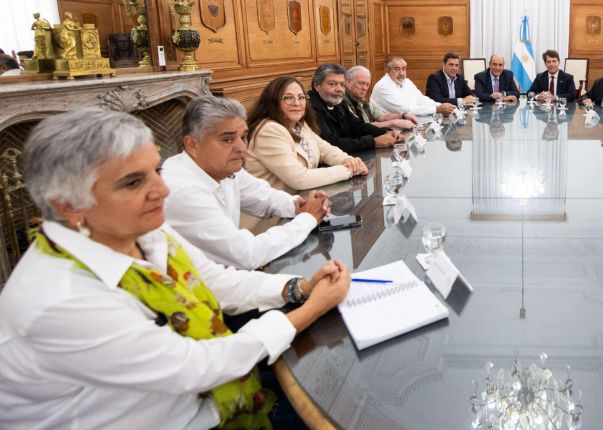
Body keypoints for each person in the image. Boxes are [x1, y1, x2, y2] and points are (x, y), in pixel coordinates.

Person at [0, 108, 352, 429]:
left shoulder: (144, 231)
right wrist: (311, 309)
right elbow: (197, 367)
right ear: (68, 206)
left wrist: (298, 287)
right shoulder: (61, 299)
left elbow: (212, 279)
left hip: (212, 395)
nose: (162, 189)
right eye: (133, 182)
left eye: (156, 170)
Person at [162, 96, 331, 269]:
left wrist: (298, 205)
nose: (241, 148)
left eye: (243, 137)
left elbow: (263, 195)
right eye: (227, 139)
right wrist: (307, 218)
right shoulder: (183, 190)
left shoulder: (223, 167)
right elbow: (247, 255)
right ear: (193, 145)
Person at [246, 76, 368, 193]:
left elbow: (325, 150)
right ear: (273, 102)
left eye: (301, 97)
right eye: (288, 97)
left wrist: (349, 160)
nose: (297, 103)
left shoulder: (299, 124)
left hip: (300, 202)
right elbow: (299, 178)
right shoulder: (269, 130)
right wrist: (347, 170)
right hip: (273, 212)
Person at [309, 63, 402, 153]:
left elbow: (358, 126)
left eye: (342, 84)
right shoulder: (311, 108)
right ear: (317, 85)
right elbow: (330, 144)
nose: (339, 89)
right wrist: (373, 142)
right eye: (332, 84)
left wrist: (386, 133)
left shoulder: (339, 102)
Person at [370, 56, 456, 116]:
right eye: (397, 69)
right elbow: (405, 110)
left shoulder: (407, 82)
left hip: (409, 122)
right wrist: (437, 109)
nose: (402, 73)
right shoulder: (383, 87)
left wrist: (442, 106)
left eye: (403, 69)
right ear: (388, 71)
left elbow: (421, 99)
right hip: (388, 129)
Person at [343, 65, 417, 130]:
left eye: (367, 84)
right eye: (361, 83)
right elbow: (361, 127)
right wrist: (394, 123)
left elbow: (381, 116)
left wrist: (403, 116)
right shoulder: (343, 102)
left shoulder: (360, 99)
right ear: (349, 82)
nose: (364, 88)